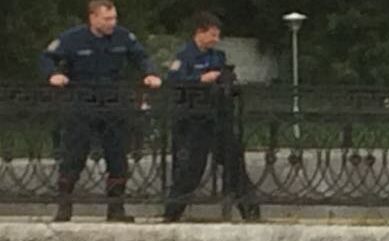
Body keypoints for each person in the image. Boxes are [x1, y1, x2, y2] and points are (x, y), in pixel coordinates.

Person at [40, 0, 162, 223]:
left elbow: (141, 57)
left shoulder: (123, 37)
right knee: (74, 154)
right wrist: (53, 75)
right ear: (93, 17)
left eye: (114, 18)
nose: (112, 23)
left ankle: (116, 209)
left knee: (117, 155)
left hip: (113, 101)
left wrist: (150, 73)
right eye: (107, 19)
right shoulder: (73, 38)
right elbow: (47, 57)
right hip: (82, 101)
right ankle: (64, 206)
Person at [164, 11, 260, 223]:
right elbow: (175, 81)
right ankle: (172, 213)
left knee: (234, 164)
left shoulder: (218, 57)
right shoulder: (184, 56)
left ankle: (250, 210)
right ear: (200, 32)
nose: (216, 40)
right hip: (193, 121)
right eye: (213, 35)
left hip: (218, 118)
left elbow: (226, 79)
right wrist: (200, 79)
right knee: (190, 168)